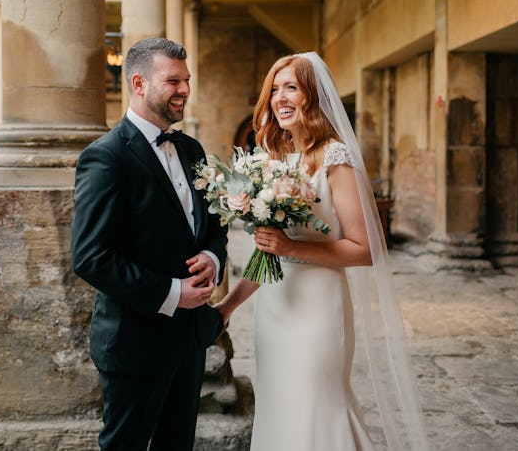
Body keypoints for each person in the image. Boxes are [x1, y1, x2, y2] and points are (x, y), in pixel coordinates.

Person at [214, 52, 430, 451]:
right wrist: (229, 305)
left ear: (312, 96)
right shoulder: (272, 160)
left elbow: (365, 250)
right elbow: (269, 256)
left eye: (291, 87)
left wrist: (292, 247)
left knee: (317, 409)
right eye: (275, 89)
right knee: (281, 411)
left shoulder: (335, 158)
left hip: (319, 309)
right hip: (275, 311)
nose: (280, 97)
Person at [71, 38, 227, 451]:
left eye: (187, 80)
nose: (185, 90)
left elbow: (214, 226)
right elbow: (90, 257)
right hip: (134, 343)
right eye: (173, 80)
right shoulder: (105, 158)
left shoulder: (191, 149)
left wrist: (213, 257)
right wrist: (174, 292)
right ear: (138, 83)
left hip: (188, 342)